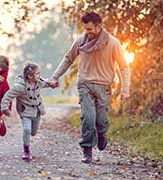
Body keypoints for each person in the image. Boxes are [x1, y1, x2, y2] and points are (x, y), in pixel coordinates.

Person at [48, 12, 131, 163]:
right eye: (86, 29)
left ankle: (101, 134)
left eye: (90, 29)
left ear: (99, 27)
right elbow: (68, 59)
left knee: (101, 120)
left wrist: (125, 90)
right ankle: (87, 151)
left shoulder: (113, 43)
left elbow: (124, 67)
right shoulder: (80, 41)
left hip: (103, 86)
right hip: (85, 84)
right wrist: (55, 76)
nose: (87, 32)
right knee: (88, 118)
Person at [1, 62, 50, 160]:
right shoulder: (19, 87)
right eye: (38, 73)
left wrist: (54, 83)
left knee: (33, 132)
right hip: (25, 111)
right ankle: (26, 150)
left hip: (37, 111)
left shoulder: (39, 82)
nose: (40, 75)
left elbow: (49, 83)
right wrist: (4, 108)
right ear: (30, 76)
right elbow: (7, 96)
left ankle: (29, 139)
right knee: (27, 129)